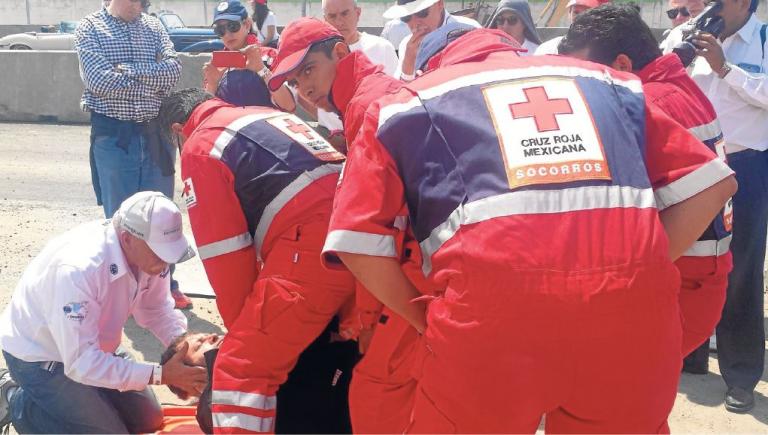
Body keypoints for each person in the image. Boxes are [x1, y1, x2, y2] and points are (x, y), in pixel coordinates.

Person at [323, 26, 737, 432]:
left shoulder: (407, 103)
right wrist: (637, 271)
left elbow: (356, 240)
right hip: (632, 324)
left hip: (488, 324)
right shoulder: (608, 83)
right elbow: (713, 184)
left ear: (435, 64)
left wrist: (422, 320)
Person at [267, 18, 434, 433]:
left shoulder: (366, 105)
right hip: (435, 266)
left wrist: (365, 320)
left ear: (340, 52)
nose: (303, 87)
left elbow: (371, 233)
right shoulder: (377, 93)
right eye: (294, 78)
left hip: (415, 276)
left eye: (308, 69)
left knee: (376, 398)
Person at [159, 88, 357, 433]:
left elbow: (226, 256)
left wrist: (243, 332)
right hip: (365, 237)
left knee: (241, 369)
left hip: (315, 248)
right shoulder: (266, 115)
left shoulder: (202, 144)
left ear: (178, 129)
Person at [558, 3, 734, 375]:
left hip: (674, 288)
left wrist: (633, 277)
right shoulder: (673, 86)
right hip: (696, 280)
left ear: (622, 64)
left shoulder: (647, 104)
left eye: (588, 72)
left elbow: (718, 185)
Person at [0, 192, 207, 434]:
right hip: (42, 357)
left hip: (94, 345)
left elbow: (156, 310)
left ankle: (84, 403)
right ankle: (13, 399)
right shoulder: (78, 270)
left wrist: (188, 347)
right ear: (127, 238)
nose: (166, 262)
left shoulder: (151, 258)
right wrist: (162, 374)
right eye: (160, 252)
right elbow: (81, 364)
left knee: (148, 420)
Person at [663, 0, 768, 414]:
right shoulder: (686, 32)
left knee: (740, 269)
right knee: (684, 260)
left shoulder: (762, 38)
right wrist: (680, 56)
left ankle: (740, 374)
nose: (709, 6)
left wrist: (726, 68)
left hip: (744, 165)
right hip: (689, 162)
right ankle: (687, 354)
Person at [74, 0, 191, 310]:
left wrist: (127, 71)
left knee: (160, 215)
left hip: (155, 135)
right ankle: (121, 292)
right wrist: (149, 79)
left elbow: (172, 73)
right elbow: (98, 82)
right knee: (120, 219)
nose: (140, 5)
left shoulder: (154, 27)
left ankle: (165, 287)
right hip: (115, 136)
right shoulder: (90, 28)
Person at [161, 323, 358, 434]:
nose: (212, 336)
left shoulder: (251, 348)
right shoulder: (211, 411)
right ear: (193, 386)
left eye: (206, 335)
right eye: (199, 345)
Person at [318, 0, 399, 137]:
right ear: (325, 20)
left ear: (358, 13)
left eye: (345, 14)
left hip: (373, 138)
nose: (339, 22)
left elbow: (396, 95)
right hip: (330, 140)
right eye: (332, 16)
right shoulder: (316, 54)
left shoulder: (382, 48)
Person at [203, 0, 295, 111]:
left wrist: (262, 70)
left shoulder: (270, 56)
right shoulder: (217, 65)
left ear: (246, 24)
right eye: (220, 30)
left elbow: (289, 106)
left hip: (264, 126)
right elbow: (205, 112)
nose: (227, 34)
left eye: (232, 26)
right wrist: (212, 85)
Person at [384, 0, 479, 81]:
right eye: (406, 17)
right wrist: (409, 62)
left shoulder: (469, 30)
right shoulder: (407, 45)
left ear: (440, 4)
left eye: (422, 13)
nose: (415, 23)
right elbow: (402, 95)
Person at [534, 0, 608, 55]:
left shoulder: (606, 52)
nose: (580, 18)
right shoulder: (548, 48)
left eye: (587, 13)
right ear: (569, 13)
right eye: (576, 12)